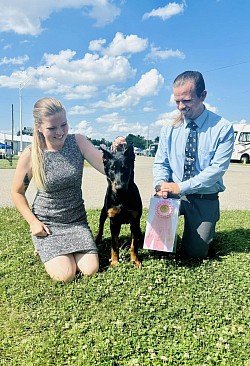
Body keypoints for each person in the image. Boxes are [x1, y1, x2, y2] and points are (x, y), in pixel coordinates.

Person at [11, 97, 105, 282]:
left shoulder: (78, 142)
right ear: (38, 127)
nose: (60, 132)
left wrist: (118, 153)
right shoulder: (31, 154)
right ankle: (42, 246)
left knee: (90, 269)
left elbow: (106, 166)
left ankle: (62, 254)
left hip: (76, 221)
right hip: (48, 224)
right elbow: (17, 193)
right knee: (65, 275)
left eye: (64, 124)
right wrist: (33, 222)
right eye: (52, 128)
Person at [153, 71, 234, 259]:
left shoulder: (223, 128)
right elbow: (161, 162)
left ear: (203, 95)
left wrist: (180, 186)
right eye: (177, 101)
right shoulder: (169, 128)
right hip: (173, 193)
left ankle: (199, 238)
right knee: (158, 249)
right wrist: (160, 185)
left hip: (204, 197)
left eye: (187, 101)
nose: (181, 107)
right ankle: (168, 237)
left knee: (195, 255)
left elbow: (216, 170)